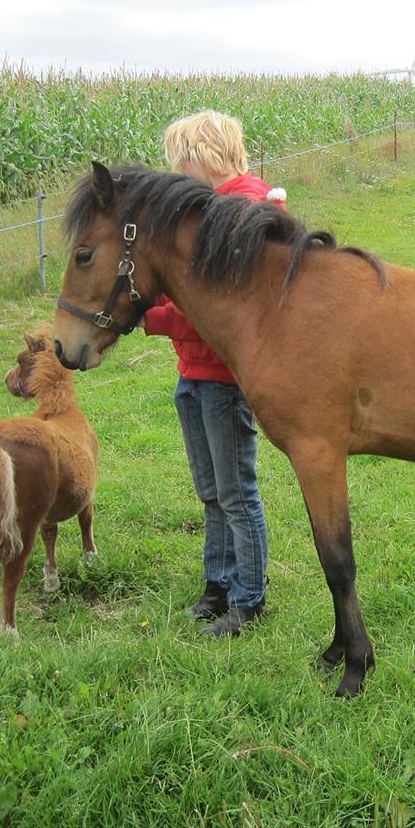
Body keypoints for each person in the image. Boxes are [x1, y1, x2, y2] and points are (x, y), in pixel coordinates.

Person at [142, 109, 286, 636]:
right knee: (211, 490)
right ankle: (218, 584)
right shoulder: (213, 208)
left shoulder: (245, 209)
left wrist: (154, 317)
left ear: (201, 154)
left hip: (224, 375)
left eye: (181, 161)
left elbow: (216, 305)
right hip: (195, 369)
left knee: (235, 491)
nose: (178, 173)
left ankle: (249, 598)